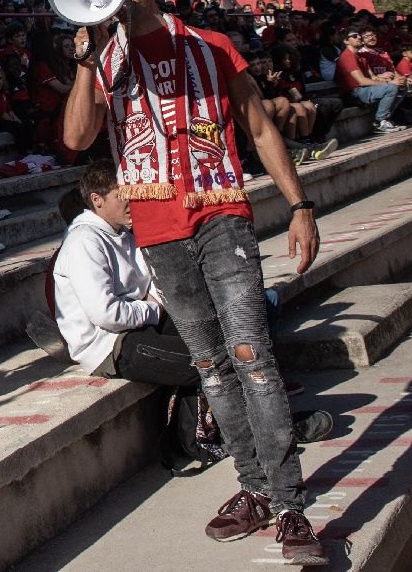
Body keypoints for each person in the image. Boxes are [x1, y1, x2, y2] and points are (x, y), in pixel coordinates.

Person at [62, 0, 326, 565]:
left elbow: (259, 127)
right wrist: (82, 61)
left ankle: (291, 506)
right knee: (210, 365)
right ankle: (253, 489)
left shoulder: (211, 45)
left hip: (219, 211)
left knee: (251, 355)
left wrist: (300, 205)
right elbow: (76, 137)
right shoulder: (104, 59)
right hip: (155, 225)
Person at [50, 163, 332, 455]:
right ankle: (266, 437)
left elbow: (155, 282)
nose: (134, 201)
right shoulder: (84, 241)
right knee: (211, 362)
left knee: (233, 332)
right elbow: (106, 314)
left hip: (143, 324)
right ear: (98, 200)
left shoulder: (125, 232)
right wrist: (153, 310)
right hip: (111, 345)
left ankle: (265, 427)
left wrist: (156, 305)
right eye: (125, 195)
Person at [334, 29, 404, 133]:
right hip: (353, 93)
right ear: (346, 41)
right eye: (354, 36)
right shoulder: (347, 56)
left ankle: (384, 120)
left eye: (358, 35)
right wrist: (389, 83)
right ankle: (380, 121)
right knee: (391, 88)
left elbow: (372, 77)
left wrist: (390, 78)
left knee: (401, 89)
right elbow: (362, 81)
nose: (359, 37)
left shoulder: (361, 57)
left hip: (364, 90)